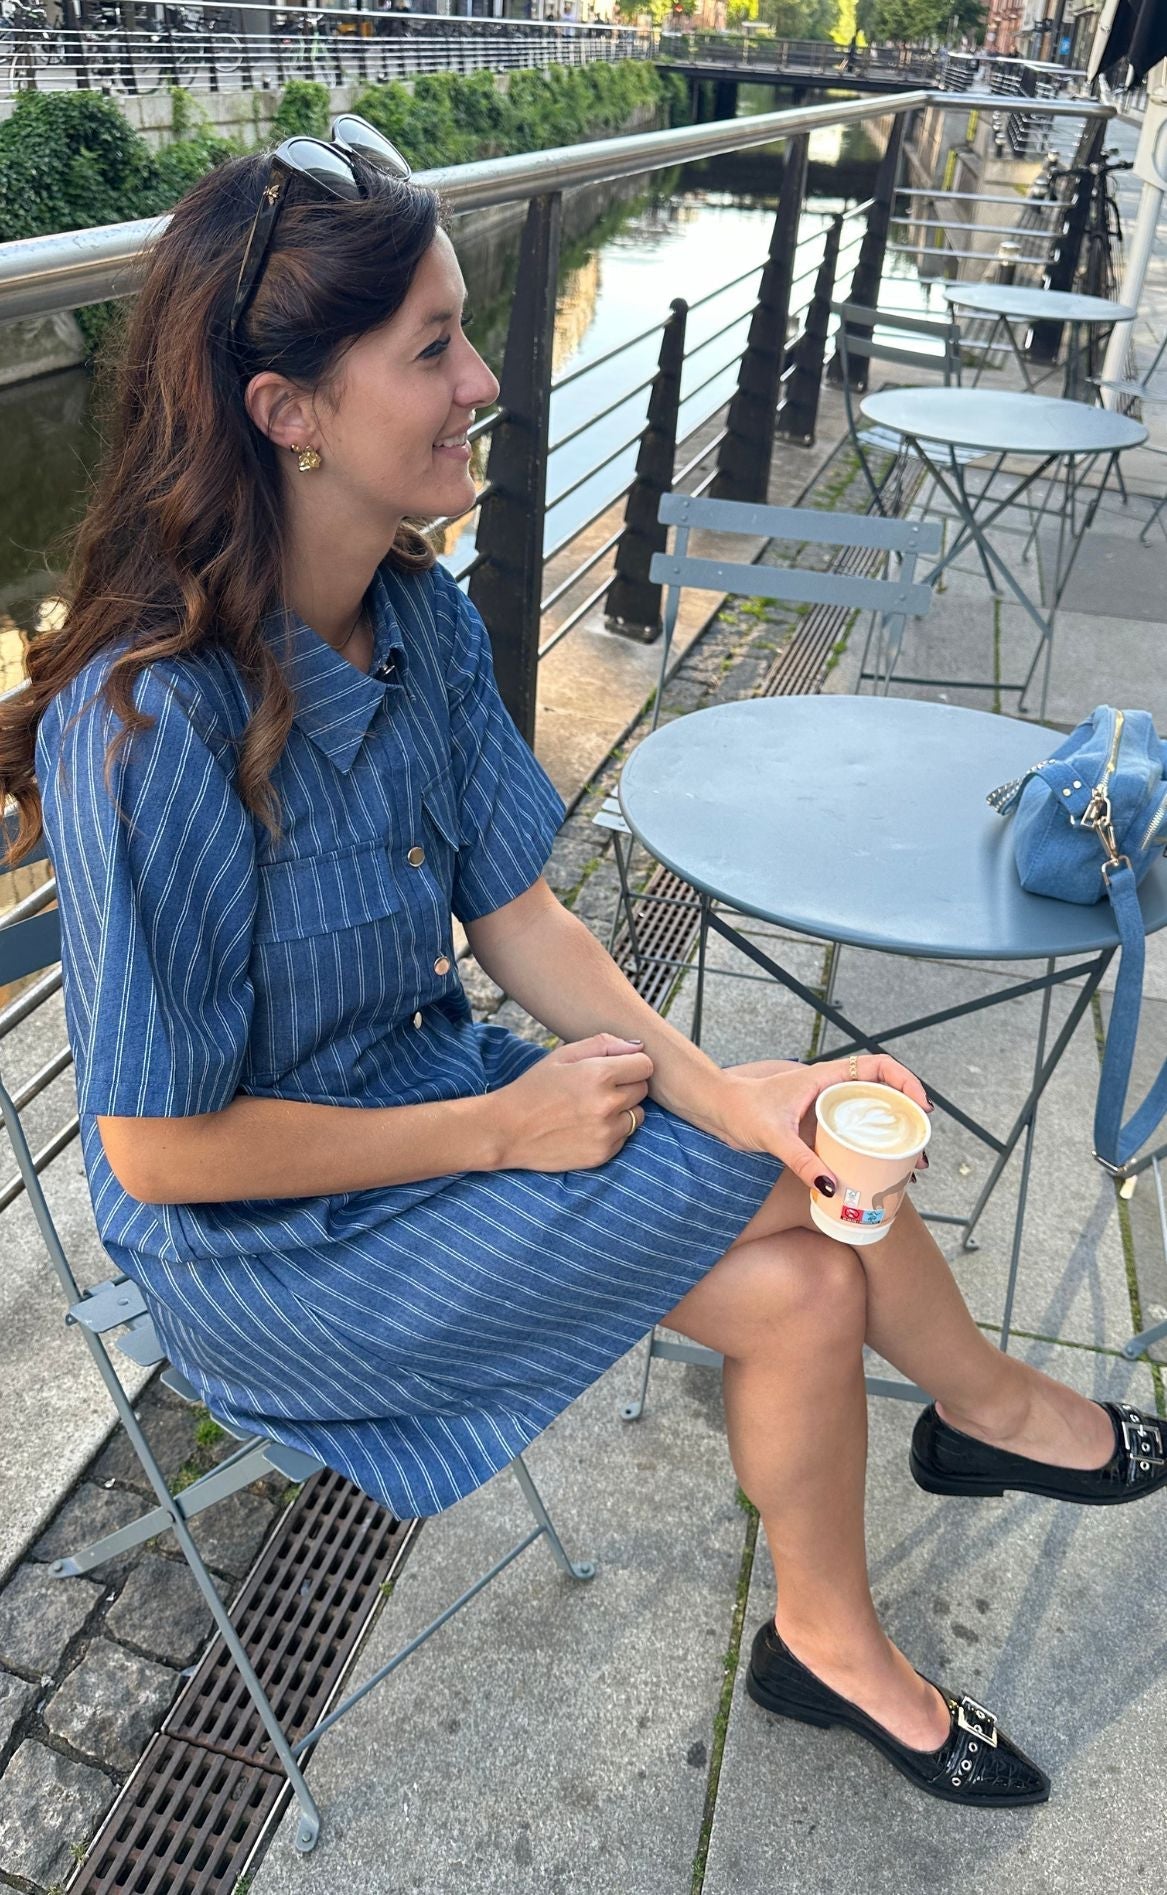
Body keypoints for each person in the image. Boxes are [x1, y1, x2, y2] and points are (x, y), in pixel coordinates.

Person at [2, 116, 1163, 1812]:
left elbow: (519, 915)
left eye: (469, 335)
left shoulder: (418, 619)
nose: (486, 380)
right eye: (434, 349)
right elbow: (160, 1154)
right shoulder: (149, 724)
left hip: (437, 1109)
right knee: (818, 1147)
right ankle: (985, 1409)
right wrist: (516, 1126)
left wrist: (703, 1094)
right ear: (289, 412)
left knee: (808, 1272)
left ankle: (830, 1638)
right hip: (270, 1250)